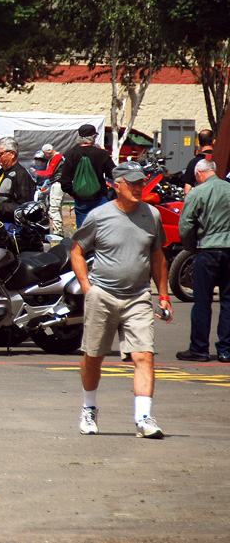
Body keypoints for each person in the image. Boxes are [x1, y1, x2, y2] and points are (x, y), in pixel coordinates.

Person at [71, 161, 172, 439]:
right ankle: (88, 408)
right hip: (102, 295)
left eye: (142, 182)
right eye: (133, 183)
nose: (140, 187)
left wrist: (163, 295)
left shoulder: (151, 215)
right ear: (117, 186)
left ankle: (143, 419)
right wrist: (87, 287)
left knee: (144, 356)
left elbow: (157, 257)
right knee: (93, 356)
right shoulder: (98, 216)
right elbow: (77, 251)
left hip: (138, 296)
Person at [175, 158, 230, 362]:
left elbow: (185, 226)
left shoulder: (197, 192)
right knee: (228, 301)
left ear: (199, 174)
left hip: (208, 249)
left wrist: (191, 247)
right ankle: (226, 350)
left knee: (202, 302)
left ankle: (199, 348)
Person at [59, 123, 115, 227]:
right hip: (100, 197)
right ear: (93, 137)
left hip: (81, 200)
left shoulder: (71, 154)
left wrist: (75, 193)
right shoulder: (102, 154)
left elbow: (64, 181)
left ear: (79, 138)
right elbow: (113, 174)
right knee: (102, 229)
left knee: (83, 233)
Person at [0, 137, 35, 223]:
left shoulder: (21, 175)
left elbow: (24, 207)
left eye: (0, 154)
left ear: (12, 154)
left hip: (11, 227)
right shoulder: (2, 172)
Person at [36, 142, 66, 236]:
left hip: (57, 184)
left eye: (45, 154)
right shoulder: (57, 157)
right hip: (56, 184)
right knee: (56, 208)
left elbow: (49, 172)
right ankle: (59, 230)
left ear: (48, 151)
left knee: (53, 209)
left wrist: (37, 173)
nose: (45, 156)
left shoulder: (57, 157)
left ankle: (58, 231)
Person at [182, 129, 215, 195]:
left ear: (199, 143)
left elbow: (187, 190)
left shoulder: (193, 162)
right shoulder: (222, 161)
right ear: (213, 142)